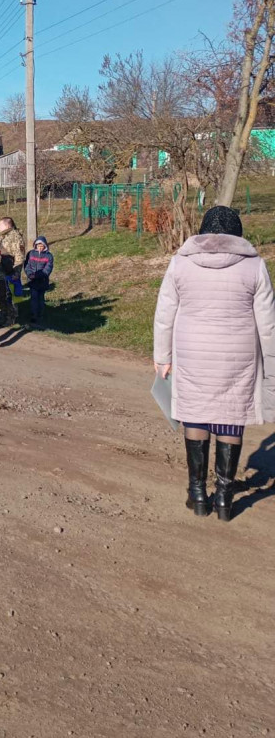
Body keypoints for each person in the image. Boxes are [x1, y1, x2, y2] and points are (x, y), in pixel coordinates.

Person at [154, 205, 275, 522]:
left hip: (192, 352)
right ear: (238, 233)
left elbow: (164, 314)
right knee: (230, 418)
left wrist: (162, 358)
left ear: (203, 232)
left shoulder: (180, 263)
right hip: (239, 354)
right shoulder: (254, 267)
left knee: (195, 415)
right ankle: (223, 496)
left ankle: (197, 493)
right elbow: (268, 325)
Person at [0, 217, 25, 326]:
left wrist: (16, 272)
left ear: (7, 225)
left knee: (11, 296)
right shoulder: (3, 236)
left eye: (0, 224)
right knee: (2, 295)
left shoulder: (15, 236)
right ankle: (4, 316)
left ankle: (11, 318)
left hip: (10, 272)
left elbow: (19, 255)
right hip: (1, 272)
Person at [24, 236, 54, 328]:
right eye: (38, 246)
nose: (40, 248)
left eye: (42, 246)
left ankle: (40, 315)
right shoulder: (31, 254)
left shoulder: (49, 256)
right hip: (33, 281)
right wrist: (30, 274)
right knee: (33, 299)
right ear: (35, 245)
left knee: (40, 299)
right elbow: (27, 266)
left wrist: (36, 276)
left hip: (42, 281)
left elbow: (47, 270)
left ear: (45, 246)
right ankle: (34, 316)